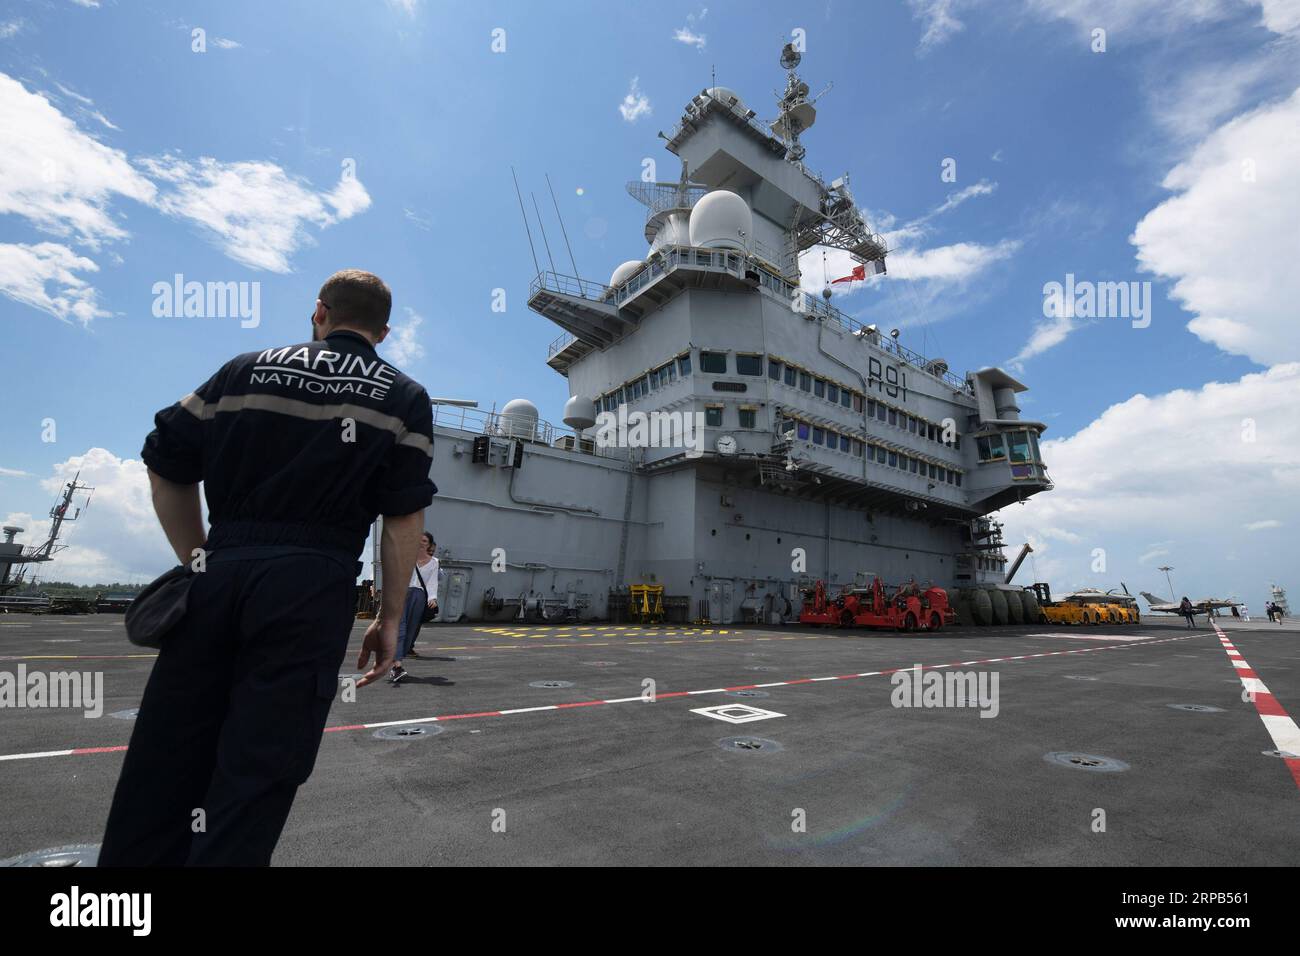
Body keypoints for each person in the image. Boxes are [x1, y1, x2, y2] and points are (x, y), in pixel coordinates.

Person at [99, 270, 436, 867]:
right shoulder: (402, 397)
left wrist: (199, 560)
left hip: (220, 570)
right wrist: (387, 618)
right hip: (311, 584)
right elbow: (402, 518)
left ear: (319, 312)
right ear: (384, 331)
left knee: (163, 759)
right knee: (258, 770)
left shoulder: (241, 369)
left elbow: (165, 462)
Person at [390, 532, 439, 682]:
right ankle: (397, 666)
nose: (421, 542)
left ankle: (394, 662)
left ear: (429, 544)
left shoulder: (434, 562)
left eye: (425, 540)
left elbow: (432, 582)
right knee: (401, 629)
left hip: (419, 597)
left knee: (411, 632)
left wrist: (432, 598)